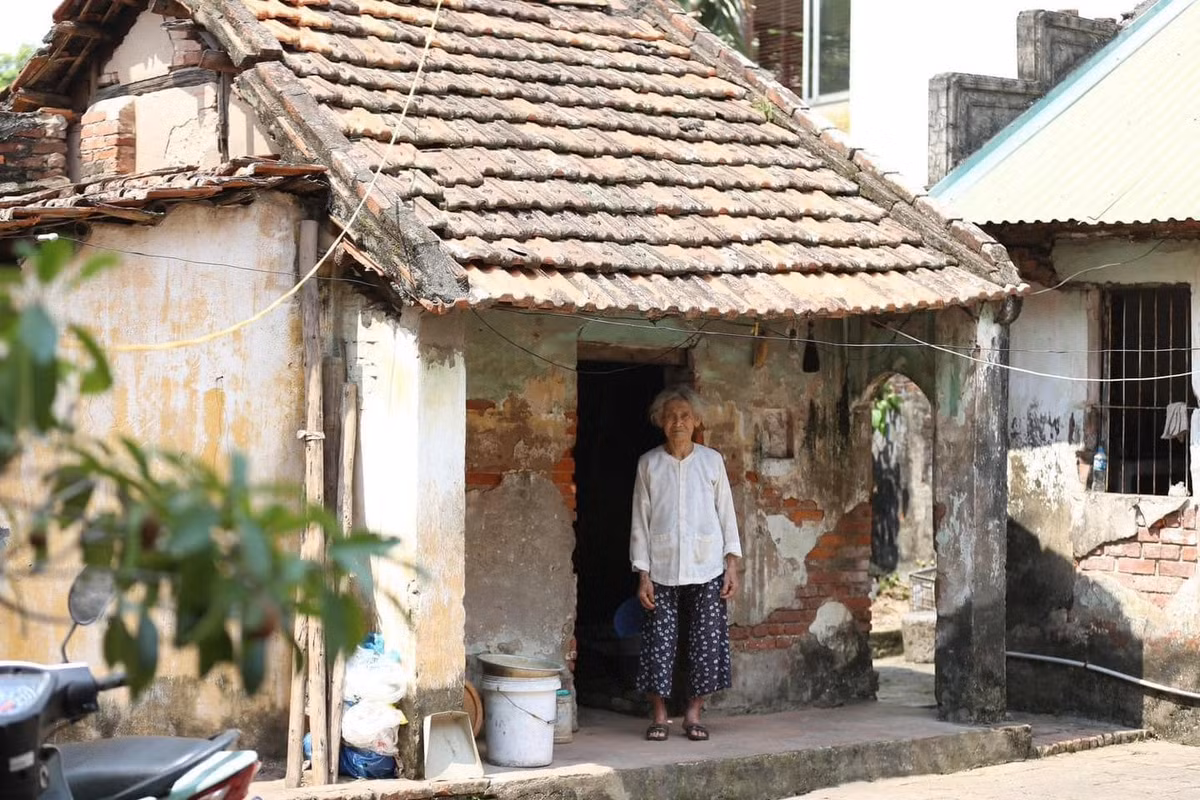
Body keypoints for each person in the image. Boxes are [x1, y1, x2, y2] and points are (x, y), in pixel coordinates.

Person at [629, 385, 741, 742]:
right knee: (658, 643)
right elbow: (640, 521)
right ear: (661, 422)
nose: (678, 422)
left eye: (685, 416)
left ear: (696, 422)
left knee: (706, 641)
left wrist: (732, 565)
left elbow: (727, 514)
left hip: (706, 565)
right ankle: (660, 715)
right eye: (671, 416)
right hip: (661, 567)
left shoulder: (711, 461)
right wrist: (642, 573)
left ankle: (693, 714)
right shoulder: (648, 464)